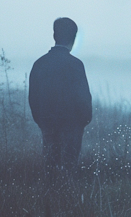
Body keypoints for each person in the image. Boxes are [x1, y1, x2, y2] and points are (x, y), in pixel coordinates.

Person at [28, 17, 92, 175]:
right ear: (73, 38)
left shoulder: (40, 64)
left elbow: (33, 99)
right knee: (69, 171)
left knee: (50, 168)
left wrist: (43, 122)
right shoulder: (76, 65)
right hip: (73, 127)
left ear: (54, 35)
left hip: (48, 125)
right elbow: (84, 99)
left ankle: (49, 198)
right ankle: (67, 198)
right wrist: (82, 122)